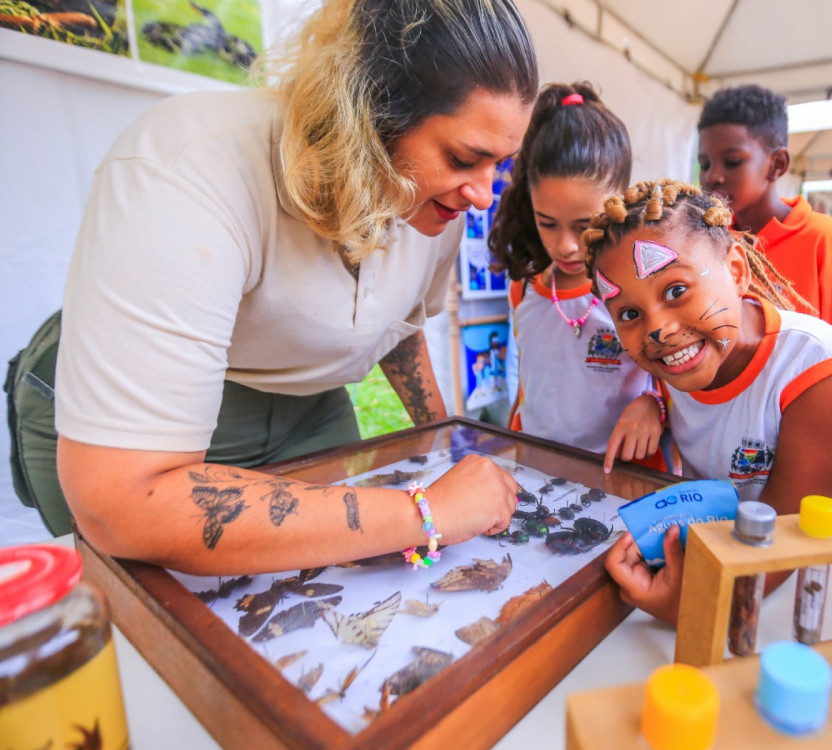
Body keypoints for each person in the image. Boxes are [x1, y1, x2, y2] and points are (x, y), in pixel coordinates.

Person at [9, 0, 540, 573]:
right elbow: (124, 503)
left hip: (308, 404)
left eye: (499, 166)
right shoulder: (188, 164)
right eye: (464, 158)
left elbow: (399, 323)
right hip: (135, 417)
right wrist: (427, 511)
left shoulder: (437, 205)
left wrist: (441, 438)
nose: (484, 195)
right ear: (372, 107)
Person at [583, 179, 832, 624]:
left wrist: (692, 606)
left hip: (801, 599)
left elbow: (783, 539)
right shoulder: (683, 359)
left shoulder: (816, 371)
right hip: (708, 564)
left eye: (676, 291)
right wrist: (651, 402)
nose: (658, 330)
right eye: (630, 314)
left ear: (736, 270)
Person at [488, 82, 664, 472]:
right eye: (547, 223)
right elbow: (529, 388)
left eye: (585, 224)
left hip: (623, 481)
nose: (566, 246)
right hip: (540, 476)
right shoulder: (524, 290)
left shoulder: (644, 287)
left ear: (620, 201)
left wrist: (656, 404)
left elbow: (683, 378)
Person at [696, 85, 832, 360]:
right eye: (705, 164)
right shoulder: (709, 240)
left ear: (778, 164)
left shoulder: (821, 236)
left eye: (733, 161)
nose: (713, 176)